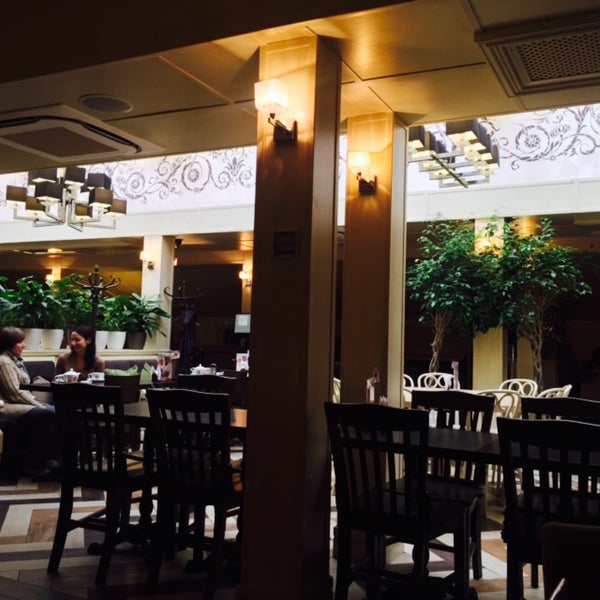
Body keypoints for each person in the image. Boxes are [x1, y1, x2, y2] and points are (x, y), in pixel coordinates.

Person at [0, 326, 60, 476]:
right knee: (48, 413)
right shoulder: (4, 362)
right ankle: (37, 464)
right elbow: (14, 393)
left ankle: (54, 461)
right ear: (9, 344)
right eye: (20, 342)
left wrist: (40, 405)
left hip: (16, 404)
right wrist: (39, 405)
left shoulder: (14, 361)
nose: (24, 345)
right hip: (4, 406)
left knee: (56, 412)